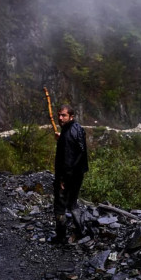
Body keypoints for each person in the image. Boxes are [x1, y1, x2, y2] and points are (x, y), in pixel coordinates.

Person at [51, 104, 89, 244]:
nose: (60, 118)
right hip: (78, 174)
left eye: (64, 115)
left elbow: (67, 160)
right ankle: (81, 231)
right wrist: (61, 137)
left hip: (68, 176)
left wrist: (62, 180)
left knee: (60, 206)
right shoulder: (78, 128)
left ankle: (60, 237)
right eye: (59, 115)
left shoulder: (67, 136)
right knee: (73, 203)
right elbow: (78, 148)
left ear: (71, 116)